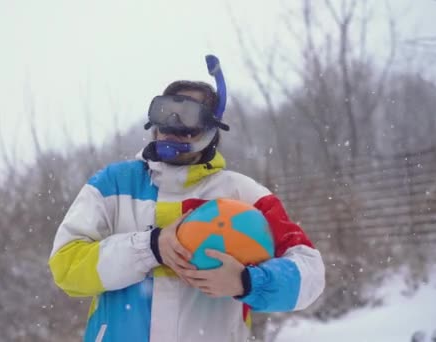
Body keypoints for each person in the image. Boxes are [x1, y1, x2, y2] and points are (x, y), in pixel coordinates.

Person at [48, 56, 325, 342]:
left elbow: (311, 274)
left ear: (211, 127)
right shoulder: (113, 184)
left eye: (188, 116)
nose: (173, 126)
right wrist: (149, 247)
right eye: (165, 113)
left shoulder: (245, 195)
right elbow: (65, 267)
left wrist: (247, 281)